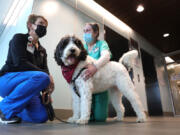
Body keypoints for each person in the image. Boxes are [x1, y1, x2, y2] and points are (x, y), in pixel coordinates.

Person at [0, 14, 54, 124]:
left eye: (45, 26)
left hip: (27, 88)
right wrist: (47, 77)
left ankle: (15, 110)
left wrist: (46, 91)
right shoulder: (19, 38)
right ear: (30, 25)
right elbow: (20, 63)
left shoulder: (42, 51)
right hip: (7, 80)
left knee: (41, 117)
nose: (44, 27)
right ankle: (4, 109)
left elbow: (46, 71)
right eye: (41, 24)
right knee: (43, 76)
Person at [83, 22, 111, 122]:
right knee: (88, 117)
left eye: (88, 30)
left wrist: (94, 67)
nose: (85, 33)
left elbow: (106, 56)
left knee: (100, 118)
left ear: (95, 33)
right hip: (87, 84)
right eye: (84, 31)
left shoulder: (102, 44)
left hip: (100, 84)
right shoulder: (83, 48)